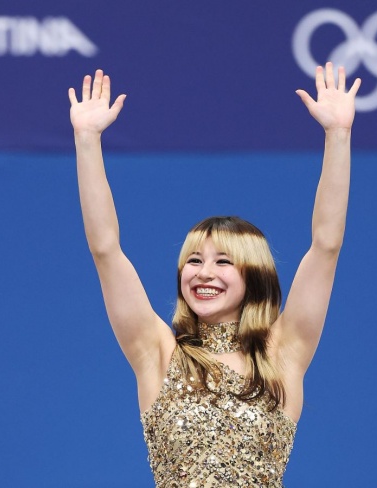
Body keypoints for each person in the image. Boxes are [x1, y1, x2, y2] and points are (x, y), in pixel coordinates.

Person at [68, 63, 361, 487]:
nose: (204, 273)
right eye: (194, 260)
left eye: (223, 262)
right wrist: (87, 140)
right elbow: (105, 251)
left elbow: (326, 246)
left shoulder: (283, 353)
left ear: (254, 275)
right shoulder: (157, 353)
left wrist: (338, 135)